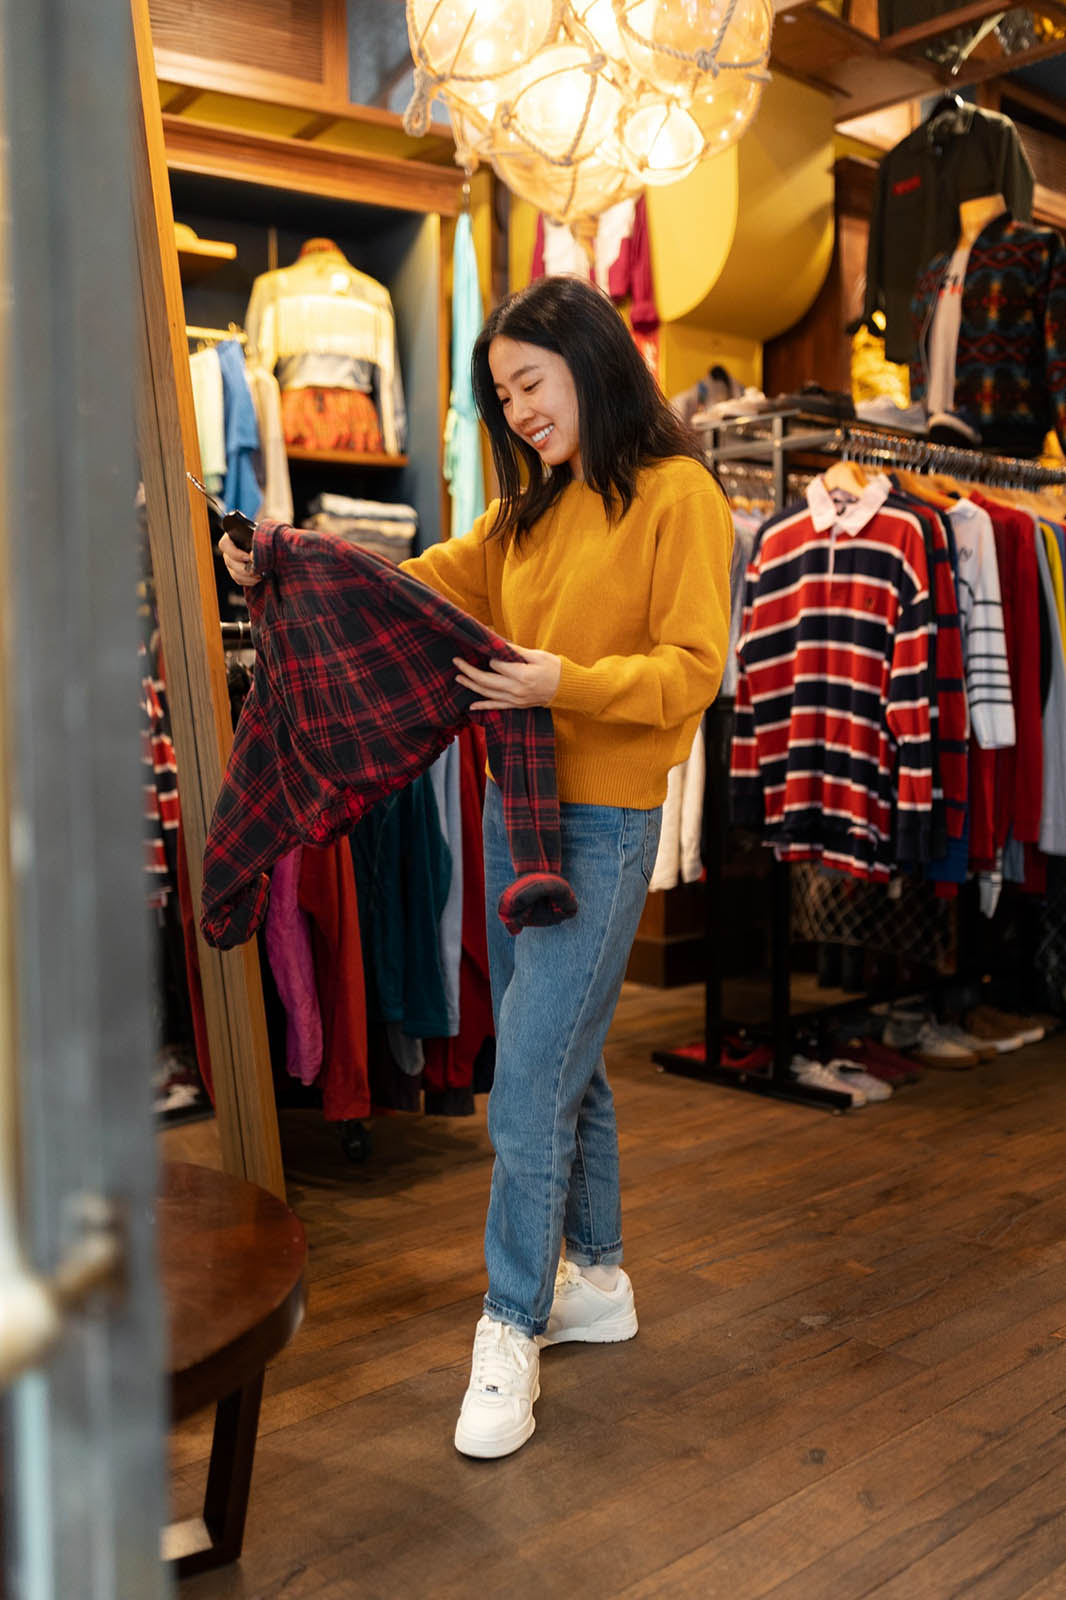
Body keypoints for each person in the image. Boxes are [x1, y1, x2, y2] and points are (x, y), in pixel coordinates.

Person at [219, 274, 733, 1461]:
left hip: (600, 829)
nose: (516, 413)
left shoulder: (680, 494)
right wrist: (282, 560)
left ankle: (512, 1323)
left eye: (529, 385)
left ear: (592, 364)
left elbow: (691, 671)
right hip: (519, 819)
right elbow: (406, 583)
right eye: (500, 395)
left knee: (525, 1091)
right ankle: (594, 1278)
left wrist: (564, 681)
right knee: (565, 1063)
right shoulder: (527, 516)